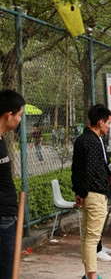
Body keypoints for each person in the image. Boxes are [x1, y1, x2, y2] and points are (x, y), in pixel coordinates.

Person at [71, 104, 111, 279]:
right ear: (100, 122)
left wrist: (79, 192)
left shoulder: (84, 139)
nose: (109, 126)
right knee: (92, 238)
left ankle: (88, 273)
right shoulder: (93, 141)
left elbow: (77, 169)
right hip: (95, 194)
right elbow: (88, 170)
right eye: (108, 122)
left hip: (89, 193)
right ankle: (92, 276)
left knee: (87, 237)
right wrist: (82, 192)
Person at [0, 90, 25, 279]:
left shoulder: (1, 139)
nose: (19, 120)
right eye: (19, 115)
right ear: (9, 115)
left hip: (7, 217)